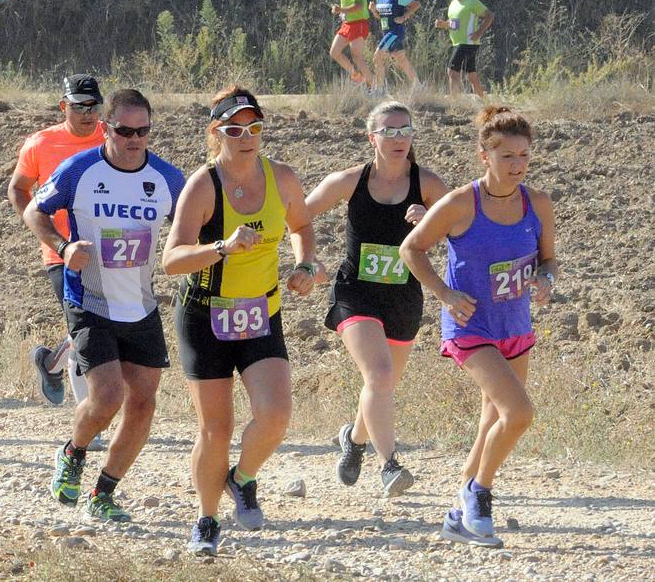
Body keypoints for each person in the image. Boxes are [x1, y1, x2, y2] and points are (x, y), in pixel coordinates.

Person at [160, 86, 324, 556]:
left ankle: (242, 478)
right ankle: (206, 520)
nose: (247, 137)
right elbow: (171, 261)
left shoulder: (283, 178)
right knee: (217, 428)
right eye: (235, 129)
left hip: (260, 313)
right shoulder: (202, 185)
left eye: (255, 128)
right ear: (217, 133)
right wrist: (222, 248)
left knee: (275, 417)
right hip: (205, 315)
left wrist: (306, 265)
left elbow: (303, 227)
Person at [27, 89, 186, 523]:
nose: (134, 139)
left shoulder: (169, 179)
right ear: (106, 127)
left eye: (143, 131)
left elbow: (198, 220)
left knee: (144, 404)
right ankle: (74, 452)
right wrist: (62, 245)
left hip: (140, 304)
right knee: (108, 396)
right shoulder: (79, 170)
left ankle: (105, 491)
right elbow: (33, 213)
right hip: (89, 301)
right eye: (124, 130)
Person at [400, 106, 555, 548]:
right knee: (518, 413)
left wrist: (546, 280)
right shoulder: (460, 203)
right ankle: (479, 491)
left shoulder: (537, 203)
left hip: (515, 325)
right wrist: (445, 294)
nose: (517, 164)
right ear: (484, 156)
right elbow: (412, 250)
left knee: (492, 420)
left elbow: (549, 259)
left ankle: (458, 516)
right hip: (470, 327)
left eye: (524, 155)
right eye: (506, 156)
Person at [304, 102, 447, 498]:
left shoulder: (429, 185)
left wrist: (431, 221)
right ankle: (390, 465)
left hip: (403, 296)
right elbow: (297, 214)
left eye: (405, 130)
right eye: (390, 131)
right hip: (356, 293)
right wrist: (306, 259)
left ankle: (354, 438)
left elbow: (463, 228)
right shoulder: (349, 181)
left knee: (381, 385)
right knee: (379, 376)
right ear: (372, 138)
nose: (399, 138)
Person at [9, 74, 107, 409]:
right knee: (87, 331)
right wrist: (43, 230)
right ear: (64, 106)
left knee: (102, 326)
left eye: (94, 105)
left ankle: (50, 362)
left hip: (111, 250)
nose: (87, 113)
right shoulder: (40, 143)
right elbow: (18, 189)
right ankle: (88, 421)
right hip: (61, 253)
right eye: (79, 106)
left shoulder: (114, 136)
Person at [434, 0, 494, 97]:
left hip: (467, 43)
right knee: (471, 75)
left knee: (451, 72)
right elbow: (454, 24)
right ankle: (485, 101)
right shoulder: (453, 4)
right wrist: (443, 24)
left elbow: (490, 16)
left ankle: (455, 102)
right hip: (458, 43)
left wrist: (479, 33)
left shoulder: (472, 2)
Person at [369, 0, 421, 92]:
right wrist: (373, 10)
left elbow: (416, 5)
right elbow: (379, 16)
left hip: (395, 32)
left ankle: (379, 90)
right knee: (401, 60)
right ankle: (418, 86)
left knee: (377, 57)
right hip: (386, 32)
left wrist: (404, 17)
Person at [328, 0, 373, 86]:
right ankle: (358, 78)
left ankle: (375, 87)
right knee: (334, 52)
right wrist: (341, 11)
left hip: (358, 23)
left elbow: (359, 6)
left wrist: (341, 9)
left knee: (357, 57)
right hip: (347, 24)